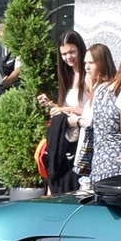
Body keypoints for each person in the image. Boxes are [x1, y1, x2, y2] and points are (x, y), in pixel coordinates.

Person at [37, 30, 87, 192]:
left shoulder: (89, 77)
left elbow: (90, 111)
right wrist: (51, 105)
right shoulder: (67, 75)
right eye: (64, 54)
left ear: (80, 49)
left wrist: (62, 108)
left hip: (83, 141)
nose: (68, 57)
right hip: (65, 140)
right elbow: (65, 110)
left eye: (72, 51)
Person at [84, 47, 121, 183]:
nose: (87, 67)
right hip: (101, 161)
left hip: (115, 162)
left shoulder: (116, 90)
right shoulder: (101, 89)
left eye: (91, 63)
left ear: (102, 62)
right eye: (85, 63)